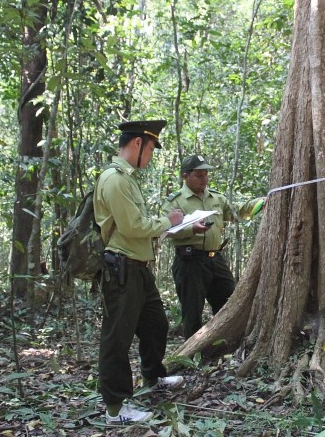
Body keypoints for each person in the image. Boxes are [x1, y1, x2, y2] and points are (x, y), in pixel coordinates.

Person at [94, 120, 186, 425]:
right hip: (122, 270)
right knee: (116, 339)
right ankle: (115, 409)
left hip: (138, 268)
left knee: (155, 324)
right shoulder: (116, 180)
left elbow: (137, 223)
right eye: (150, 149)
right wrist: (168, 221)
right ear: (137, 144)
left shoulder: (128, 180)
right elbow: (133, 227)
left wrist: (170, 224)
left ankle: (153, 376)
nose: (150, 156)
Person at [162, 155, 264, 339]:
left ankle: (226, 346)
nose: (204, 179)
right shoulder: (175, 202)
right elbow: (166, 230)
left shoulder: (216, 197)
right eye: (199, 175)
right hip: (189, 262)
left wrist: (260, 203)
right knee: (192, 311)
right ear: (185, 176)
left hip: (215, 259)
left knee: (229, 302)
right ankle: (192, 356)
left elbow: (235, 212)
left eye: (206, 175)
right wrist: (192, 228)